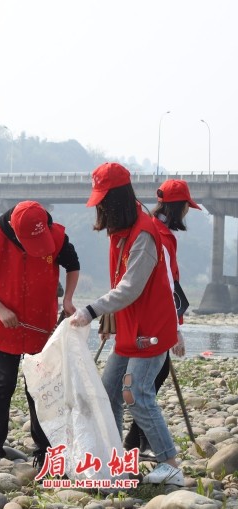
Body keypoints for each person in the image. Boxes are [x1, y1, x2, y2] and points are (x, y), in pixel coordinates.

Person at [70, 162, 183, 486]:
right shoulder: (120, 233)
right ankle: (118, 461)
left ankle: (171, 464)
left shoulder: (144, 235)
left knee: (136, 394)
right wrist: (108, 317)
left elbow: (130, 288)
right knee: (109, 392)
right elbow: (121, 286)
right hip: (131, 328)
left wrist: (91, 310)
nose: (100, 207)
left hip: (151, 330)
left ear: (117, 199)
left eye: (104, 200)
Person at [0, 200, 80, 472]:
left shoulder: (56, 234)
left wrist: (69, 300)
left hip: (41, 326)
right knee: (1, 387)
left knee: (39, 390)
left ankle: (44, 450)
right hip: (5, 325)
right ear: (15, 230)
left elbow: (73, 264)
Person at [123, 179, 199, 455]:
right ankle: (140, 441)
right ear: (179, 207)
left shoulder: (152, 228)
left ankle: (135, 439)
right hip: (154, 316)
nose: (187, 213)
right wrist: (176, 328)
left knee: (150, 378)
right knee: (148, 380)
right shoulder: (160, 235)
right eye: (187, 207)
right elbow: (167, 284)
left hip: (145, 314)